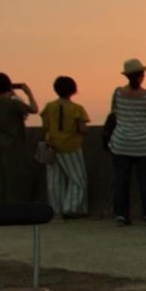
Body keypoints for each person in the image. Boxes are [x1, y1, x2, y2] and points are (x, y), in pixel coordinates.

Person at [107, 58, 146, 226]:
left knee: (121, 181)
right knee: (145, 180)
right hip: (144, 144)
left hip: (122, 142)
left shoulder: (118, 94)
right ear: (141, 76)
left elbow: (114, 114)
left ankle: (122, 215)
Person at [40, 76, 90, 218]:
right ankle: (71, 208)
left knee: (55, 180)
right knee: (78, 179)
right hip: (71, 146)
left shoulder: (49, 107)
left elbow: (45, 126)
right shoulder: (77, 108)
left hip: (52, 145)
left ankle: (56, 208)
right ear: (73, 90)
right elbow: (82, 128)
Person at [0, 73, 38, 202]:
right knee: (15, 175)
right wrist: (28, 93)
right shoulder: (14, 103)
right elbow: (34, 109)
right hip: (14, 144)